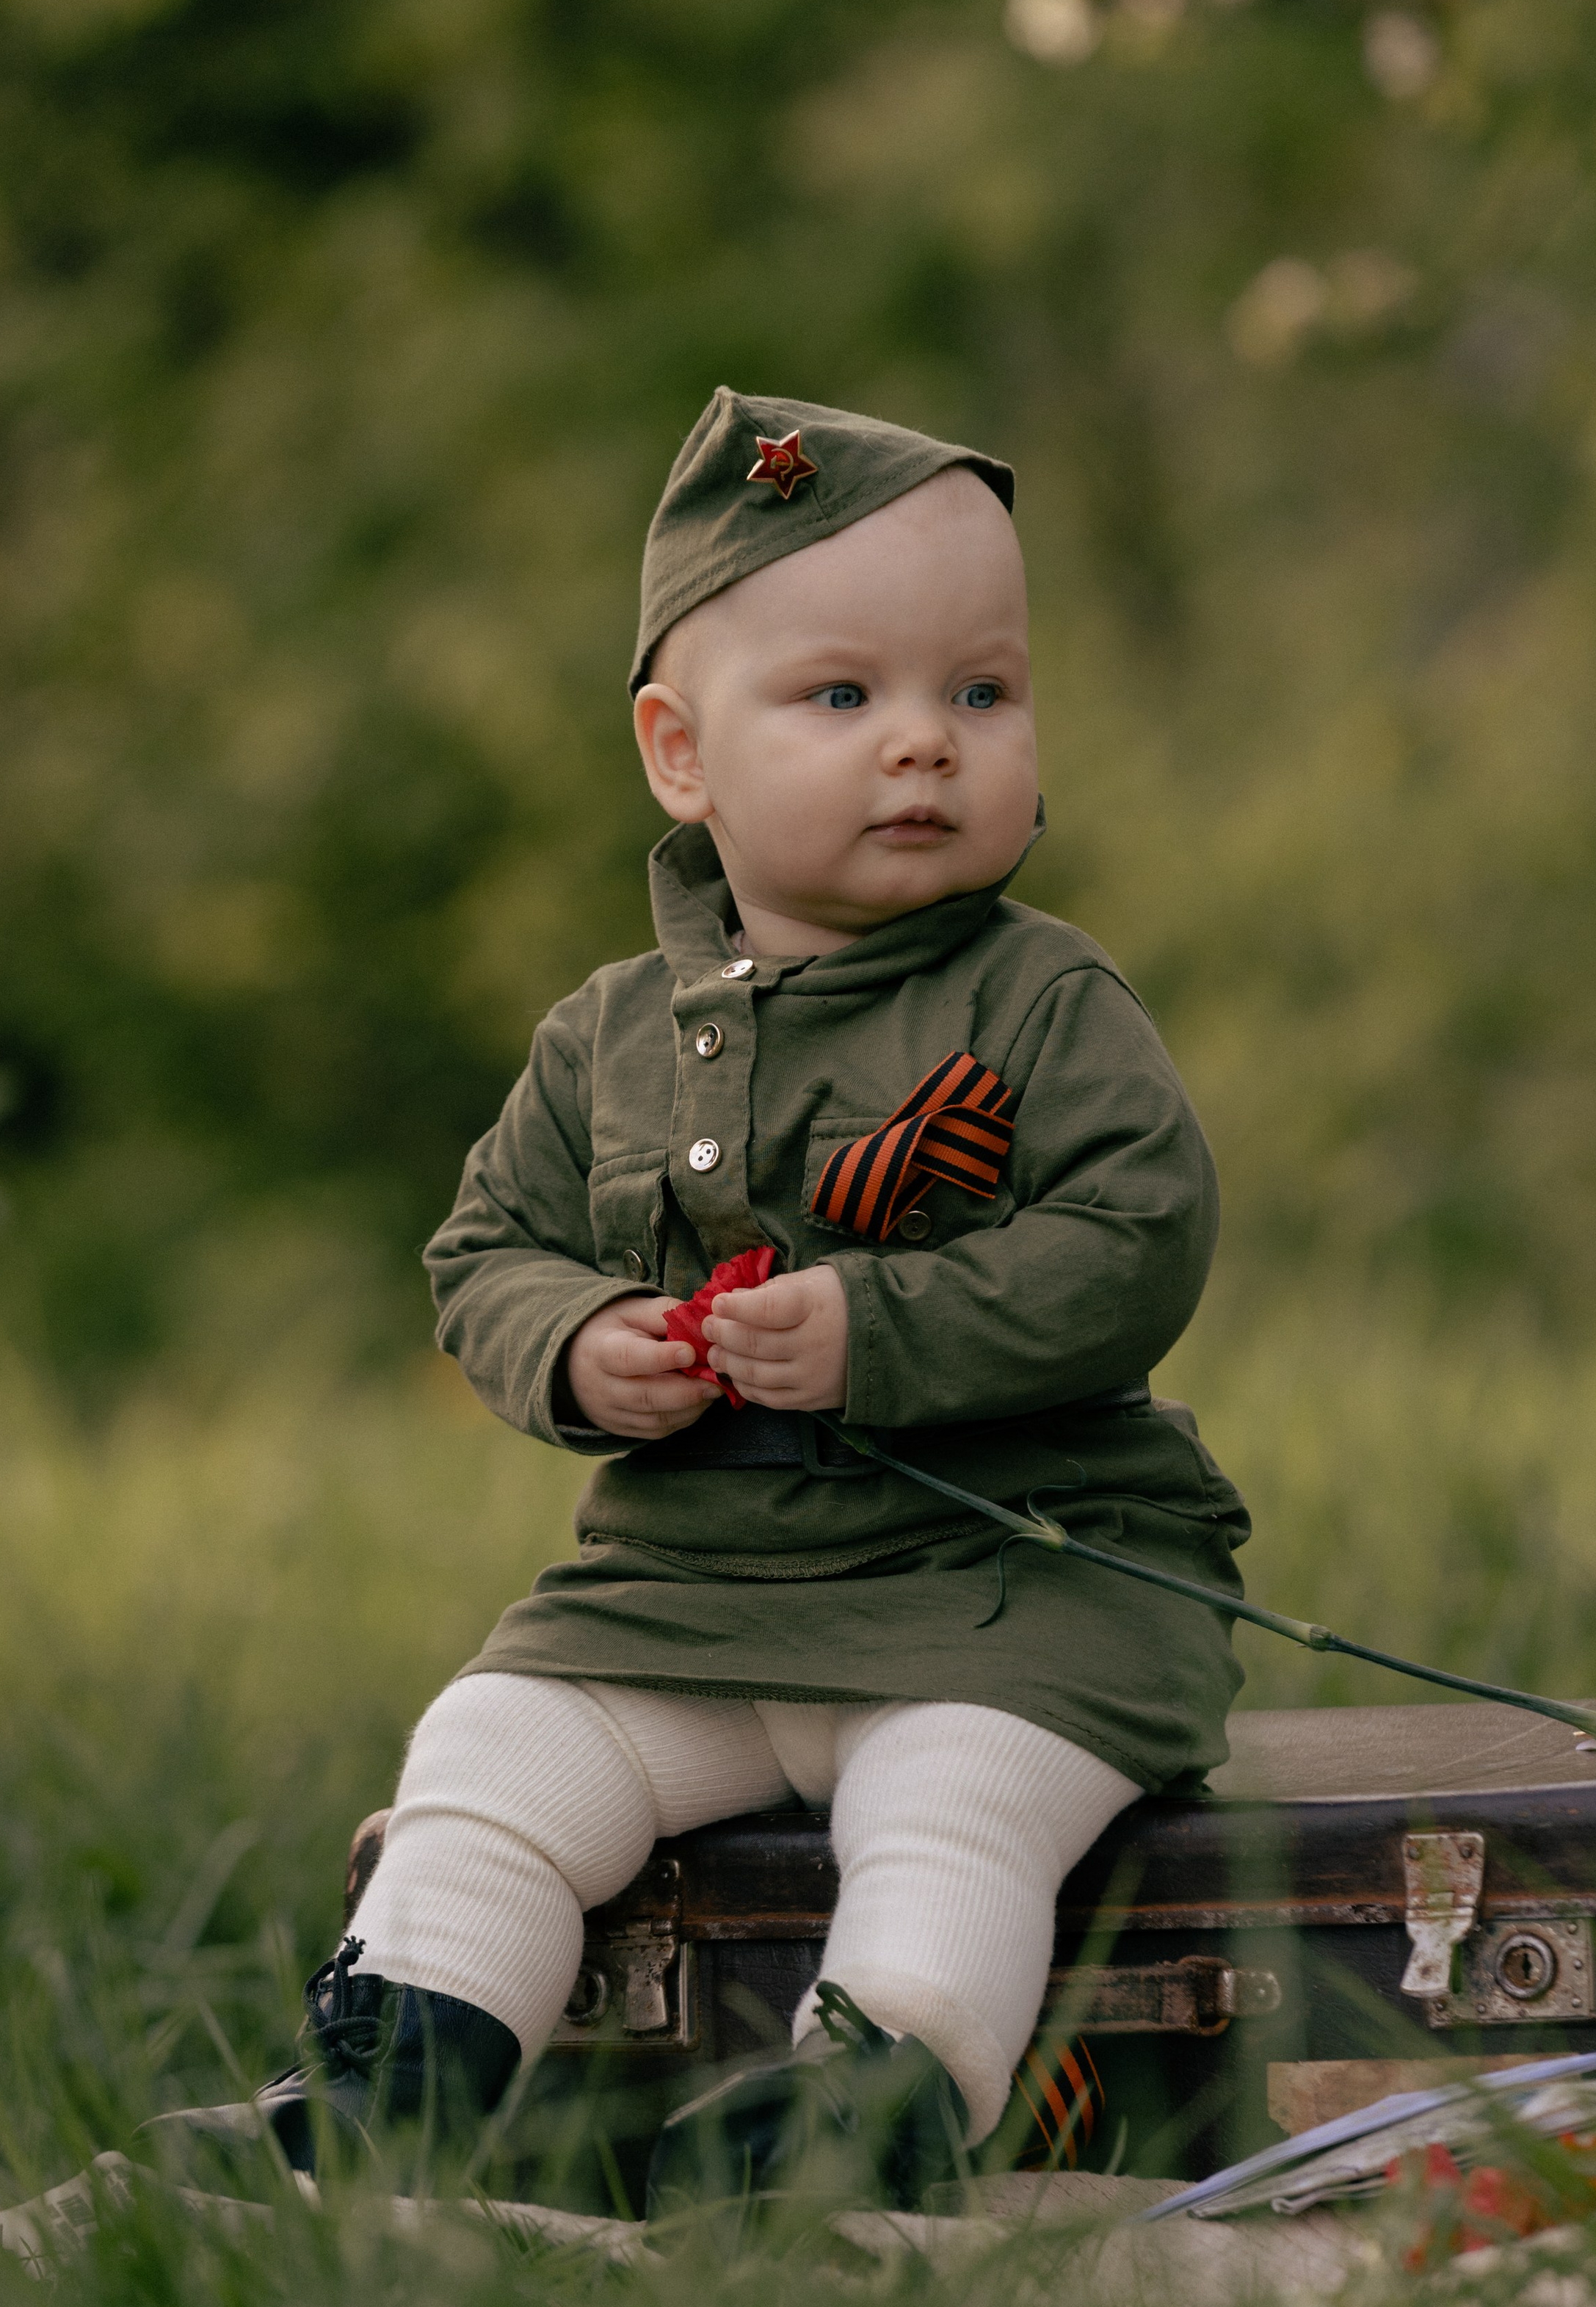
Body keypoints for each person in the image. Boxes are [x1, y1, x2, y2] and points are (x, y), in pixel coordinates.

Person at [251, 389, 1250, 2206]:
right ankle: (404, 2060)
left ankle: (862, 2109)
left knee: (950, 1808)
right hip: (687, 1599)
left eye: (980, 694)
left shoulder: (1036, 1002)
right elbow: (482, 1252)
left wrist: (887, 1328)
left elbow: (1139, 1235)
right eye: (843, 697)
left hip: (1009, 1590)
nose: (923, 749)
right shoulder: (602, 1039)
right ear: (679, 753)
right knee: (495, 1741)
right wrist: (576, 1343)